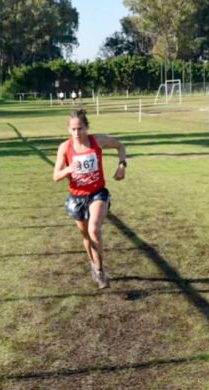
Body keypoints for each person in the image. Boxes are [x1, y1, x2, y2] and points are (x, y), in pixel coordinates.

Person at [53, 109, 127, 288]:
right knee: (86, 236)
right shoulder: (65, 148)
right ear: (68, 130)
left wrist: (122, 165)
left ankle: (100, 271)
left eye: (80, 128)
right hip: (77, 197)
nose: (77, 133)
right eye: (73, 129)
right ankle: (93, 265)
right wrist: (68, 170)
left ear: (87, 127)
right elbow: (55, 176)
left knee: (94, 230)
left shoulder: (97, 141)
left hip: (98, 193)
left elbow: (120, 146)